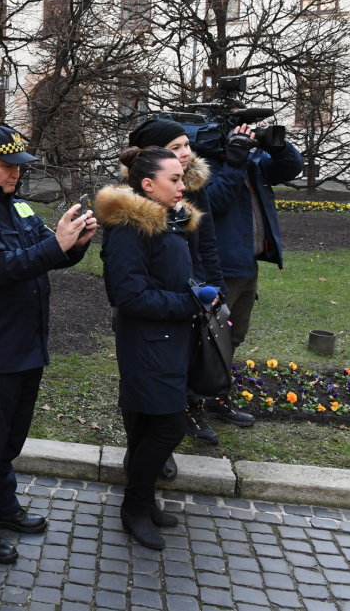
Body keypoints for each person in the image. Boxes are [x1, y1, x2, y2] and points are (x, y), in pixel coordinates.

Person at [0, 126, 97, 564]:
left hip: (28, 345)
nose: (16, 174)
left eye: (19, 167)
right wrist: (56, 246)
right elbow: (2, 269)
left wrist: (76, 244)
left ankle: (3, 506)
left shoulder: (19, 207)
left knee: (9, 441)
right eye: (8, 167)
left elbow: (47, 253)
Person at [95, 146, 204, 549]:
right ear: (147, 184)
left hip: (170, 339)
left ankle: (144, 502)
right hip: (146, 343)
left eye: (182, 177)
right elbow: (128, 296)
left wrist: (200, 292)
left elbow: (175, 274)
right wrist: (189, 303)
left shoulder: (168, 222)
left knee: (144, 426)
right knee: (169, 426)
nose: (182, 186)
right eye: (174, 179)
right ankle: (134, 507)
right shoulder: (130, 229)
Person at [124, 119, 237, 457]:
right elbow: (128, 276)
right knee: (145, 382)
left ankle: (184, 420)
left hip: (192, 296)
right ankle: (142, 450)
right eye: (176, 148)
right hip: (155, 302)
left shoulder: (191, 188)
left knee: (187, 365)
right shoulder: (134, 202)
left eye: (187, 145)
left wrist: (215, 287)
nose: (186, 153)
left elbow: (207, 244)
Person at [202, 123, 303, 419]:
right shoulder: (206, 164)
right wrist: (233, 163)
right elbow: (214, 203)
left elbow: (290, 168)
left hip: (247, 263)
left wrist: (276, 145)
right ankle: (192, 403)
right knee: (209, 337)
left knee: (233, 336)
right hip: (220, 265)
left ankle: (218, 399)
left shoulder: (254, 161)